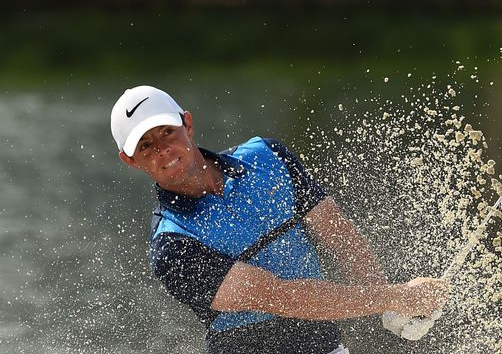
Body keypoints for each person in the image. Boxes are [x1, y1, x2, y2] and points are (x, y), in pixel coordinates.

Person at [110, 85, 447, 354]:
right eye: (146, 145)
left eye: (167, 132)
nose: (162, 150)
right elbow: (281, 296)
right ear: (129, 160)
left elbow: (338, 233)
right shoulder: (172, 246)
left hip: (325, 346)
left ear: (187, 123)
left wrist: (384, 300)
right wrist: (395, 297)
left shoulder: (268, 158)